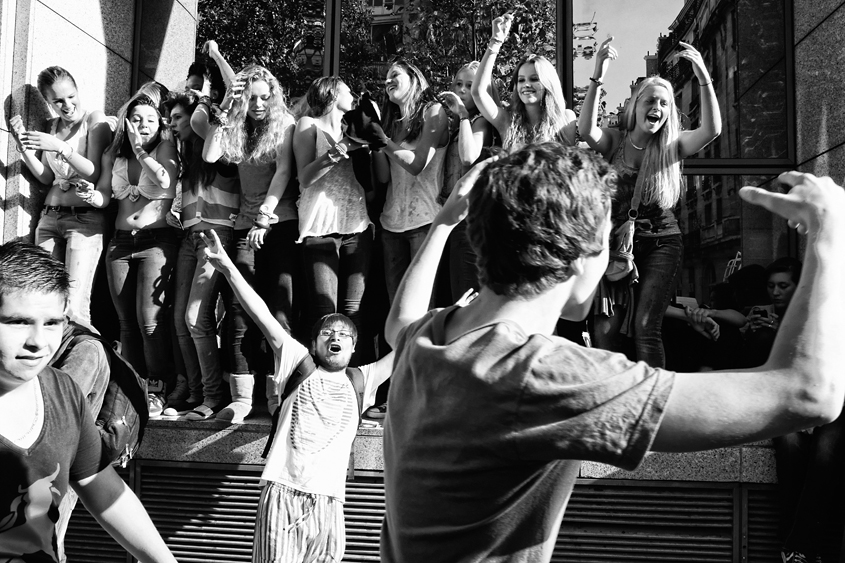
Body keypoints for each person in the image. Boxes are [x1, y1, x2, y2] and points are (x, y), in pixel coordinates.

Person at [378, 142, 845, 562]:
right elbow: (808, 394)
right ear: (583, 259)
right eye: (609, 243)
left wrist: (442, 224)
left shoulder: (430, 338)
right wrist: (830, 233)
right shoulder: (540, 376)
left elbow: (397, 323)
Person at [200, 229, 394, 563]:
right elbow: (261, 313)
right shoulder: (297, 362)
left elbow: (409, 347)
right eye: (326, 332)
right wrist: (227, 267)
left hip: (331, 503)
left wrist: (449, 317)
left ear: (353, 345)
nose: (335, 336)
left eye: (344, 334)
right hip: (283, 493)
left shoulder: (363, 379)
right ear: (315, 344)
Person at [0, 241, 177, 563]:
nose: (38, 342)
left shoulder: (63, 391)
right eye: (18, 322)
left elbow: (103, 488)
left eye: (52, 323)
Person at [579, 37, 721, 368]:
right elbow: (586, 129)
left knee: (646, 328)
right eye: (651, 101)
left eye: (665, 103)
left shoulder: (673, 145)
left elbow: (712, 130)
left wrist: (702, 75)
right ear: (635, 104)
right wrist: (598, 75)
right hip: (614, 245)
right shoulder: (615, 139)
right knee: (604, 329)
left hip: (661, 243)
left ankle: (651, 405)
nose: (657, 108)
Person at [202, 64, 298, 423]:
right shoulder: (240, 127)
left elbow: (284, 173)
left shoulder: (285, 124)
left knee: (279, 312)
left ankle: (277, 398)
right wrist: (227, 106)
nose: (258, 104)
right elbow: (210, 155)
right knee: (239, 311)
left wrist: (264, 216)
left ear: (274, 95)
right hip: (244, 227)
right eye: (251, 97)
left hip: (279, 224)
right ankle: (242, 399)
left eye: (263, 96)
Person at [98, 89, 180, 418]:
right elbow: (105, 195)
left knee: (150, 322)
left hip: (156, 241)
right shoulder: (115, 155)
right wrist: (89, 194)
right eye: (136, 119)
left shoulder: (165, 148)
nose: (142, 125)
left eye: (149, 119)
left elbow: (164, 182)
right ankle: (129, 389)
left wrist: (139, 149)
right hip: (119, 243)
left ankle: (158, 386)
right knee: (126, 324)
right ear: (126, 123)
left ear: (158, 123)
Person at [10, 66, 111, 327]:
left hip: (85, 221)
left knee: (75, 309)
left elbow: (94, 171)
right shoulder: (51, 126)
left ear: (78, 91)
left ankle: (89, 364)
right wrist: (24, 148)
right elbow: (45, 177)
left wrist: (61, 147)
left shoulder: (94, 120)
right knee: (46, 302)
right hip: (48, 220)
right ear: (48, 102)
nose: (67, 105)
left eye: (71, 96)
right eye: (58, 101)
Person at [164, 92, 240, 420]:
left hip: (215, 237)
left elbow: (203, 123)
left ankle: (212, 396)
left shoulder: (220, 151)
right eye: (172, 118)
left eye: (179, 118)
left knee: (197, 317)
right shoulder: (186, 162)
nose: (173, 124)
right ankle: (196, 395)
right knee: (181, 320)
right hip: (188, 239)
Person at [292, 76, 374, 362]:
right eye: (347, 91)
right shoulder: (308, 125)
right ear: (331, 94)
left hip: (357, 226)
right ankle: (317, 381)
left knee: (354, 314)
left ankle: (357, 387)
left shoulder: (354, 130)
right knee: (324, 315)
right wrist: (340, 150)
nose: (352, 95)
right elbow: (304, 177)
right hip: (319, 229)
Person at [370, 59, 450, 304]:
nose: (387, 81)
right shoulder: (391, 125)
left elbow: (417, 165)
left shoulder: (433, 112)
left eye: (395, 75)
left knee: (423, 305)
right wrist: (373, 143)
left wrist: (384, 141)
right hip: (391, 224)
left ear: (414, 79)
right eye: (386, 78)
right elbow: (384, 177)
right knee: (397, 306)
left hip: (425, 222)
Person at [472, 13, 577, 151]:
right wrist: (496, 42)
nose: (526, 84)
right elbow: (478, 93)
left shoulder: (565, 118)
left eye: (534, 79)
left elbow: (567, 166)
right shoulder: (507, 120)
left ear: (548, 84)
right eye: (521, 80)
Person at [438, 61, 495, 301]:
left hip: (469, 219)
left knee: (466, 292)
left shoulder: (480, 122)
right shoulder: (453, 126)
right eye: (458, 84)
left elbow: (468, 155)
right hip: (449, 216)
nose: (461, 89)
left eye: (469, 86)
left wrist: (462, 114)